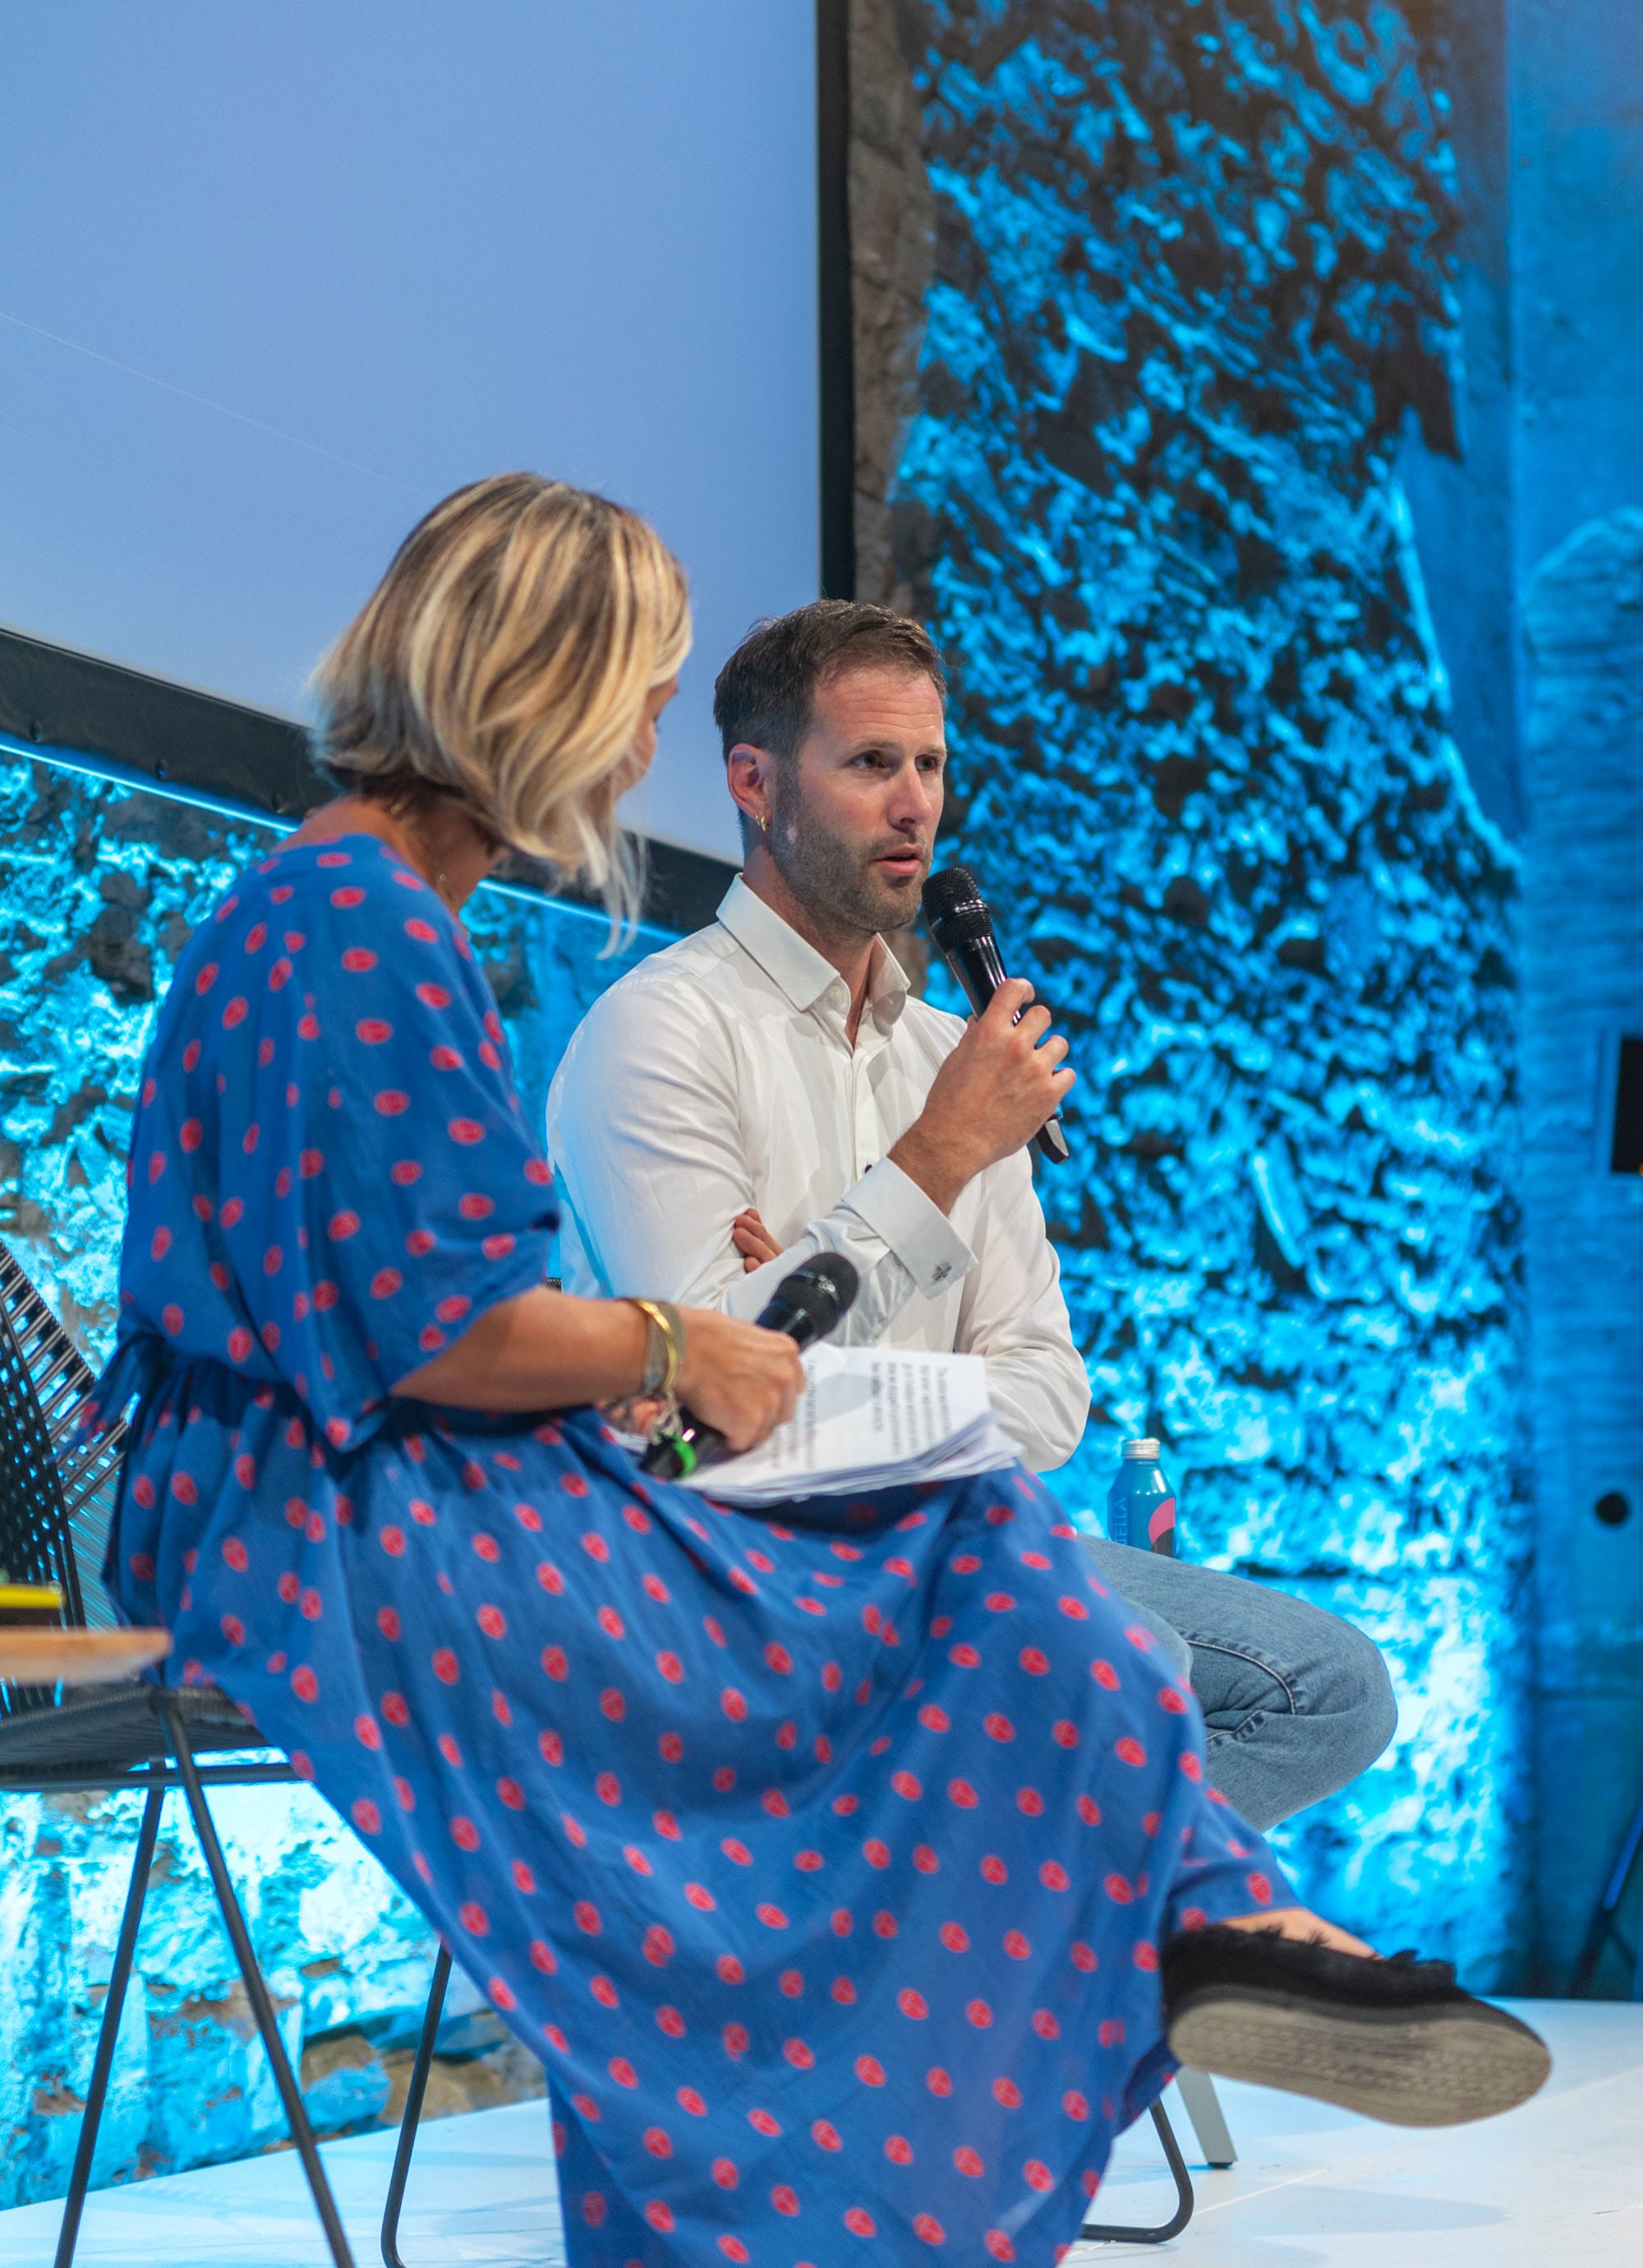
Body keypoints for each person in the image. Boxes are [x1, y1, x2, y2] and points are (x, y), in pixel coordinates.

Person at [90, 481, 1544, 2268]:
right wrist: (671, 1343)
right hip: (317, 1524)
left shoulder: (355, 908)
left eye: (930, 764)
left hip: (379, 1481)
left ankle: (1147, 1928)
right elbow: (449, 1332)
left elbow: (1026, 1384)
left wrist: (704, 1359)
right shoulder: (392, 935)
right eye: (637, 697)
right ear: (541, 684)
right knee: (961, 1584)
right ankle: (1114, 1936)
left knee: (984, 1554)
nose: (635, 749)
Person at [547, 600, 1397, 1836]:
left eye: (931, 765)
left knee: (1335, 1689)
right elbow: (708, 1411)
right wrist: (935, 1161)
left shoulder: (953, 1051)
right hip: (726, 1547)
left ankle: (1049, 1923)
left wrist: (820, 1336)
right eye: (870, 764)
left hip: (946, 1525)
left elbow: (1047, 1398)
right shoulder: (662, 1030)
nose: (915, 807)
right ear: (754, 782)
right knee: (1134, 1663)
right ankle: (1052, 1935)